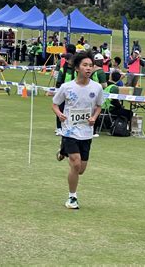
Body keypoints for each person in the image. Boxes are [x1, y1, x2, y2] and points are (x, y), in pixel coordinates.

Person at [52, 51, 104, 209]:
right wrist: (60, 114)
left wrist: (94, 117)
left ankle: (63, 151)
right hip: (69, 131)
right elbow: (55, 104)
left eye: (91, 65)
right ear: (77, 68)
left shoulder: (96, 88)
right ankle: (72, 197)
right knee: (75, 164)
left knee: (81, 169)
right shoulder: (66, 87)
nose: (88, 68)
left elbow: (99, 106)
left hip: (86, 132)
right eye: (85, 65)